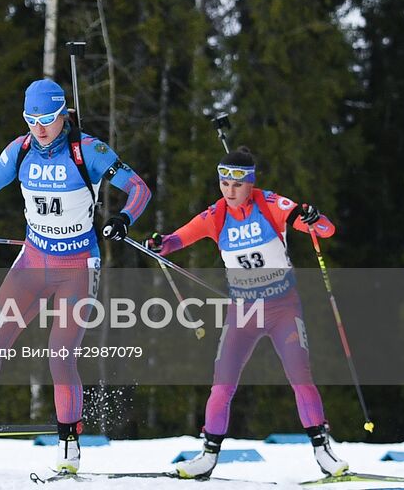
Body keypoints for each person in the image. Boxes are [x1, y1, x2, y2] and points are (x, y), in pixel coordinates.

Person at [0, 78, 151, 475]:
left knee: (60, 355)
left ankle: (68, 444)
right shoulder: (20, 150)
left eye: (47, 119)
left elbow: (139, 189)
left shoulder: (88, 151)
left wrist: (123, 218)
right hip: (32, 261)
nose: (39, 128)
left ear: (63, 114)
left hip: (77, 267)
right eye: (31, 120)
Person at [147, 146, 347, 479]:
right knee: (221, 386)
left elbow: (325, 231)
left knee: (301, 378)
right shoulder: (216, 216)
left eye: (237, 184)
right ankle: (207, 457)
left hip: (282, 308)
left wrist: (316, 219)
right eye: (224, 183)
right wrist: (158, 243)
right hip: (243, 312)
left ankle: (323, 452)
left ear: (250, 183)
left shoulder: (271, 205)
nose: (230, 191)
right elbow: (174, 241)